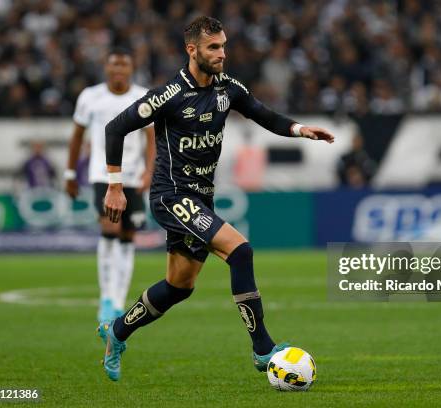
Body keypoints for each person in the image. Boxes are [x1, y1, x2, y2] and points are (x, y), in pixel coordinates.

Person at [100, 16, 334, 381]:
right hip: (171, 195)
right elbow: (115, 128)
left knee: (179, 286)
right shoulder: (169, 95)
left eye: (223, 45)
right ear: (191, 50)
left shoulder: (228, 88)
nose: (222, 53)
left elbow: (264, 115)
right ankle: (262, 350)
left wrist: (301, 130)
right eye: (213, 47)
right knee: (240, 251)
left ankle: (116, 333)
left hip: (201, 199)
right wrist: (115, 186)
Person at [65, 48, 155, 325]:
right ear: (106, 68)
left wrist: (149, 171)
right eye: (114, 65)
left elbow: (151, 138)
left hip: (134, 176)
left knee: (128, 236)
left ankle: (118, 300)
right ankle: (106, 298)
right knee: (109, 228)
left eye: (123, 65)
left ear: (131, 69)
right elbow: (77, 136)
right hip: (103, 175)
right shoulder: (90, 97)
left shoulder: (143, 96)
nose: (118, 70)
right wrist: (70, 172)